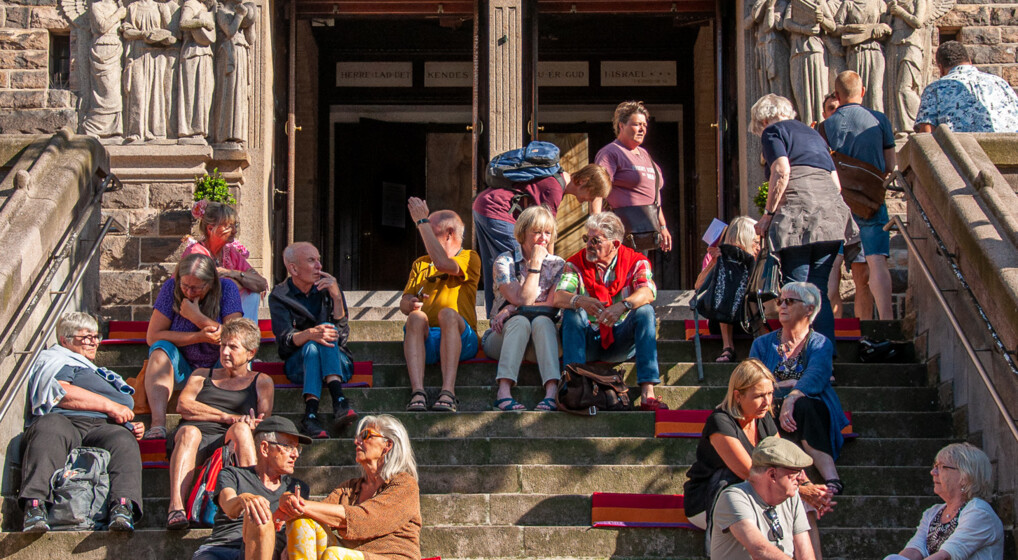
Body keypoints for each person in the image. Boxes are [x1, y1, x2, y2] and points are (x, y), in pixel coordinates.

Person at [21, 312, 143, 533]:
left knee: (123, 440)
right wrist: (111, 406)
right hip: (65, 418)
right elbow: (60, 392)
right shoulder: (60, 360)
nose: (94, 342)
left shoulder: (98, 372)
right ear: (65, 339)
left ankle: (122, 509)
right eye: (86, 337)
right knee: (50, 429)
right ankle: (35, 507)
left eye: (96, 336)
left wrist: (128, 425)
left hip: (102, 427)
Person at [750, 93, 856, 345]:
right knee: (818, 290)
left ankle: (797, 357)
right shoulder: (813, 135)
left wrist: (768, 215)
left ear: (764, 118)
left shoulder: (773, 131)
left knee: (795, 288)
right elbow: (836, 184)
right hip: (831, 216)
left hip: (798, 217)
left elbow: (782, 170)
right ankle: (824, 360)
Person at [166, 318, 275, 530]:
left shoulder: (261, 381)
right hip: (192, 440)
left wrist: (249, 424)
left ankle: (254, 504)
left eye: (233, 347)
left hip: (230, 442)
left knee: (243, 429)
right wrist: (227, 417)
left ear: (250, 353)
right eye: (223, 345)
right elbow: (184, 405)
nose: (225, 352)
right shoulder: (201, 375)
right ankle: (175, 508)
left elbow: (263, 421)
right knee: (190, 431)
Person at [553, 212, 667, 411]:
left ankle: (648, 394)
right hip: (587, 339)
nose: (588, 244)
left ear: (614, 244)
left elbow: (648, 291)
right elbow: (559, 296)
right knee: (573, 312)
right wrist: (580, 300)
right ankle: (575, 388)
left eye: (595, 240)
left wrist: (623, 305)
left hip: (620, 338)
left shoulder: (635, 261)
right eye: (586, 239)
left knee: (645, 312)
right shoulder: (575, 263)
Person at [473, 163, 611, 316]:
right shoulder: (554, 188)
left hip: (485, 205)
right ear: (582, 181)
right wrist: (549, 261)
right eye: (592, 195)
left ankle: (495, 316)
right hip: (497, 210)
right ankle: (512, 315)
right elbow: (546, 228)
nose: (590, 200)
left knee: (496, 264)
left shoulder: (558, 179)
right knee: (517, 262)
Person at [749, 282, 849, 495]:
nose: (782, 306)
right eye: (780, 301)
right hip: (769, 404)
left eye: (790, 301)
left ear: (809, 309)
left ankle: (831, 476)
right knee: (764, 409)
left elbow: (817, 375)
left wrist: (792, 396)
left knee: (805, 406)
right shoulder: (762, 344)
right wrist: (786, 386)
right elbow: (754, 379)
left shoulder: (820, 343)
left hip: (809, 406)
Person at [279, 415, 422, 560]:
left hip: (393, 557)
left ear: (388, 445)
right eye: (357, 437)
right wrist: (289, 500)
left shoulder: (404, 484)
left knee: (334, 555)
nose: (356, 442)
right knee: (301, 521)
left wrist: (302, 505)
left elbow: (365, 520)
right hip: (350, 554)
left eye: (365, 436)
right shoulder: (350, 488)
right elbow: (319, 513)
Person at [822, 70, 897, 321]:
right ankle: (886, 321)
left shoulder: (825, 126)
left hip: (836, 202)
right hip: (871, 201)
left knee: (832, 267)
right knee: (877, 262)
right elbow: (890, 166)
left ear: (837, 95)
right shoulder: (880, 120)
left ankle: (829, 328)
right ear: (862, 91)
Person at [145, 253, 244, 439]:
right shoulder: (170, 288)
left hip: (217, 366)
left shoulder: (227, 289)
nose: (189, 292)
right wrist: (198, 336)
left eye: (196, 287)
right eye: (185, 286)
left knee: (237, 354)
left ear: (211, 283)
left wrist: (197, 318)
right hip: (181, 365)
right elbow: (153, 336)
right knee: (159, 349)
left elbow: (237, 337)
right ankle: (157, 424)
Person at [269, 242, 358, 439]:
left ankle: (310, 415)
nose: (319, 266)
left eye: (319, 260)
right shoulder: (280, 295)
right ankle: (339, 399)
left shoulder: (330, 287)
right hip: (298, 365)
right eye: (311, 261)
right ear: (293, 268)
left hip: (338, 361)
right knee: (312, 345)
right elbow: (285, 341)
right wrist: (310, 334)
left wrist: (336, 297)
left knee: (328, 332)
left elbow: (342, 337)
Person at [482, 206, 566, 412]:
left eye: (547, 232)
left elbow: (552, 303)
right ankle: (503, 393)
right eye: (537, 232)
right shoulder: (504, 262)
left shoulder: (558, 264)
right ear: (523, 232)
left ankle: (552, 392)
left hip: (543, 341)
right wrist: (535, 264)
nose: (543, 238)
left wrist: (511, 308)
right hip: (502, 338)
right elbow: (522, 298)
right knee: (519, 322)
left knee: (542, 321)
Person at [191, 416, 311, 560]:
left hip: (265, 552)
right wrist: (244, 499)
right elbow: (229, 505)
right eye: (288, 446)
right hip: (221, 550)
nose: (295, 454)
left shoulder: (297, 488)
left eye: (297, 448)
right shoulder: (233, 474)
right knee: (257, 515)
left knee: (262, 521)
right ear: (265, 448)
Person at [401, 199, 481, 413]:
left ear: (449, 234)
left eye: (430, 229)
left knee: (448, 314)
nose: (424, 235)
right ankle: (417, 392)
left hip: (463, 339)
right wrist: (410, 303)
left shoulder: (469, 257)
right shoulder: (420, 263)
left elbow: (444, 264)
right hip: (427, 338)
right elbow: (404, 302)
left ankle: (448, 392)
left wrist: (421, 221)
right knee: (415, 318)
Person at [884, 443, 1004, 560]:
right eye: (934, 467)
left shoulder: (979, 512)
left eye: (941, 467)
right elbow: (915, 549)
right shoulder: (933, 512)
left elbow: (946, 556)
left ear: (965, 476)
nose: (933, 472)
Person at [710, 436, 817, 560]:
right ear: (772, 474)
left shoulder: (792, 497)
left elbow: (805, 552)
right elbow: (760, 550)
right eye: (796, 473)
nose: (801, 478)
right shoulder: (733, 497)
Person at [593, 100, 673, 253]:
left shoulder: (645, 155)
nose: (642, 129)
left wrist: (662, 226)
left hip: (645, 231)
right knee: (620, 275)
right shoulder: (611, 152)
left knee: (639, 274)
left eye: (645, 125)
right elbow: (597, 192)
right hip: (620, 233)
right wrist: (596, 229)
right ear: (621, 126)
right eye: (637, 124)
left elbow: (653, 195)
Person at [183, 201, 269, 321]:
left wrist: (233, 273)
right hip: (201, 315)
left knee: (253, 293)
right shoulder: (196, 253)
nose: (234, 231)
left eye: (235, 226)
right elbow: (209, 289)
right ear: (210, 228)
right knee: (249, 289)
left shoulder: (230, 251)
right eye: (228, 226)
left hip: (226, 314)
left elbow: (261, 283)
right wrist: (243, 281)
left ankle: (244, 336)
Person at [694, 216, 760, 362]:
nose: (759, 246)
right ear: (744, 239)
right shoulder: (719, 256)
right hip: (721, 317)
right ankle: (727, 347)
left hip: (751, 316)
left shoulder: (758, 258)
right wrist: (714, 263)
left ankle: (760, 344)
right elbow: (698, 287)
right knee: (727, 289)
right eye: (756, 241)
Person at [915, 41, 1018, 133]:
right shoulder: (1000, 83)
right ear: (970, 61)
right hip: (1009, 149)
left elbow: (926, 133)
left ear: (941, 69)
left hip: (964, 151)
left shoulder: (935, 89)